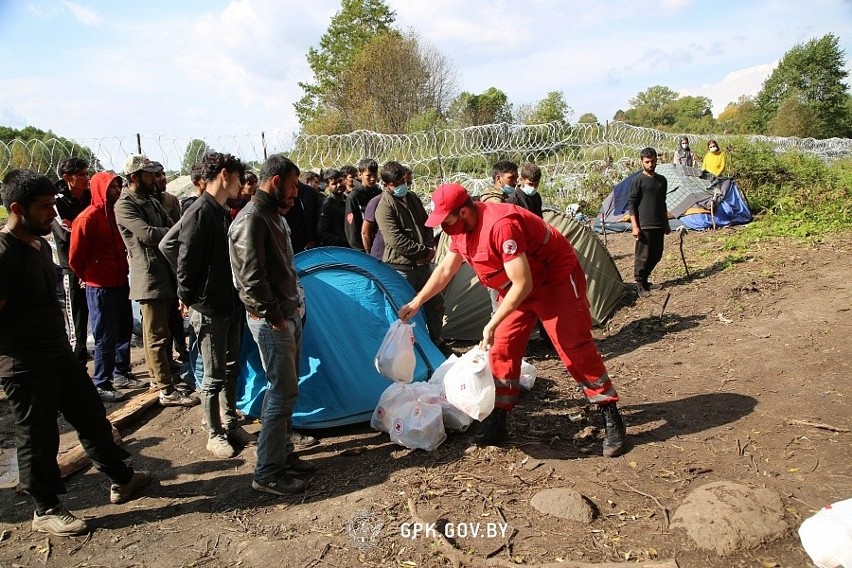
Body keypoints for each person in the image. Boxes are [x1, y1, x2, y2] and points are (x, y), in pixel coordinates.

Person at [398, 183, 626, 457]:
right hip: (514, 286)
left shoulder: (501, 225)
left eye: (445, 219)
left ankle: (609, 412)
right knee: (502, 349)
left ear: (463, 213)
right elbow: (447, 267)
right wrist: (417, 301)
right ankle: (499, 417)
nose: (442, 227)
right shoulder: (460, 230)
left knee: (573, 347)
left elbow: (524, 282)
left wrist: (493, 322)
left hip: (553, 281)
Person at [0, 169, 150, 537]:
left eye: (53, 205)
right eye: (44, 208)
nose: (53, 214)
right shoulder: (3, 254)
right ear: (17, 208)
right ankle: (46, 508)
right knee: (37, 436)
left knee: (92, 416)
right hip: (23, 364)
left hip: (57, 353)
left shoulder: (39, 245)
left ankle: (121, 477)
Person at [228, 154, 316, 495]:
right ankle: (266, 472)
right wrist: (276, 317)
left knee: (287, 390)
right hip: (272, 321)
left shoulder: (272, 215)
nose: (297, 193)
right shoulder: (252, 219)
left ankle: (283, 454)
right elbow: (250, 279)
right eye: (293, 186)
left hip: (286, 315)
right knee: (282, 390)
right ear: (276, 182)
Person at [178, 152, 249, 459]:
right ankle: (214, 432)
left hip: (229, 302)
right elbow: (182, 258)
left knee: (231, 368)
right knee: (212, 374)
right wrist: (191, 299)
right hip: (210, 309)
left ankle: (230, 421)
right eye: (237, 178)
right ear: (224, 174)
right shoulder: (199, 212)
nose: (240, 184)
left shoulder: (220, 210)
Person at [114, 154, 198, 407]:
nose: (154, 178)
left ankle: (161, 381)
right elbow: (149, 234)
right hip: (149, 278)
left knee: (164, 334)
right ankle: (165, 389)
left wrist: (172, 230)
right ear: (134, 177)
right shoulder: (124, 204)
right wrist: (173, 231)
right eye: (149, 174)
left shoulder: (150, 199)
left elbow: (171, 226)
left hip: (164, 274)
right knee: (156, 337)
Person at [68, 171, 142, 402]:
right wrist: (88, 275)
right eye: (112, 187)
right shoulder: (88, 218)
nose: (117, 191)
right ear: (101, 189)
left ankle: (121, 372)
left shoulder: (114, 215)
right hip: (100, 286)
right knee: (104, 335)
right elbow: (75, 257)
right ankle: (101, 382)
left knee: (123, 329)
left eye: (119, 186)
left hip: (120, 282)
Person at [375, 161, 444, 342]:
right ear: (386, 185)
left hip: (422, 265)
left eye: (403, 181)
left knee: (435, 304)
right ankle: (414, 349)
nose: (401, 187)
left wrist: (429, 248)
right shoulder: (384, 207)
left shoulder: (412, 198)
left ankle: (436, 342)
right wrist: (423, 253)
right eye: (396, 184)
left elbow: (427, 224)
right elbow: (396, 240)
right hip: (402, 268)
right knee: (407, 311)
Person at [51, 157, 92, 365]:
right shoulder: (57, 201)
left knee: (101, 319)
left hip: (93, 266)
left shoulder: (90, 196)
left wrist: (80, 226)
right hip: (71, 268)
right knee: (77, 322)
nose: (87, 178)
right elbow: (66, 235)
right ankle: (78, 367)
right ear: (67, 178)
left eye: (87, 173)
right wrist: (85, 226)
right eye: (82, 175)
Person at [629, 148, 670, 298]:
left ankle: (645, 280)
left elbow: (663, 202)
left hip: (659, 223)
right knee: (643, 256)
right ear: (642, 162)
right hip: (644, 225)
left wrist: (666, 223)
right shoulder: (638, 181)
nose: (650, 164)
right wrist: (635, 226)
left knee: (657, 255)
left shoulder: (661, 180)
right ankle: (639, 284)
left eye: (652, 161)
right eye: (647, 162)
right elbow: (632, 204)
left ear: (656, 160)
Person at [344, 158, 381, 251]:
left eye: (375, 175)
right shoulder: (354, 197)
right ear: (360, 175)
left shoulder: (380, 194)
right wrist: (361, 251)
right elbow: (352, 229)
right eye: (368, 175)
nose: (372, 179)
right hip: (363, 248)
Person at [316, 168, 349, 247]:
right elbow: (322, 232)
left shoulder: (348, 200)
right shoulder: (328, 205)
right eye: (334, 183)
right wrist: (341, 241)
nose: (339, 185)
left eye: (340, 181)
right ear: (327, 186)